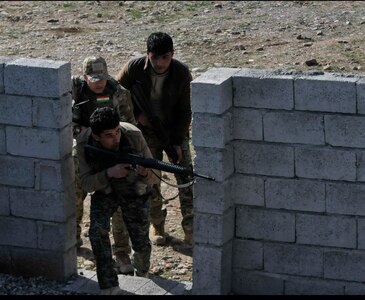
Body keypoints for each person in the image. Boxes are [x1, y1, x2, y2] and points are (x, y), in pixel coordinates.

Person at [116, 32, 194, 246]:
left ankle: (191, 229)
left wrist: (177, 141)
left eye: (165, 57)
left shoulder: (181, 73)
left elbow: (186, 111)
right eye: (155, 57)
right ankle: (157, 225)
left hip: (172, 131)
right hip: (144, 132)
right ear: (147, 54)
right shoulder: (133, 68)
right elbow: (117, 94)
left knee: (186, 177)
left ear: (172, 55)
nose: (160, 63)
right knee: (151, 178)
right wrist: (135, 117)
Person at [76, 106, 154, 295]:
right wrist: (109, 173)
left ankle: (141, 276)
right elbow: (86, 183)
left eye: (117, 131)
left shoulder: (133, 135)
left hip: (134, 190)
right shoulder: (84, 142)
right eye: (109, 135)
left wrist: (145, 173)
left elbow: (153, 174)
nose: (117, 138)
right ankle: (109, 285)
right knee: (97, 231)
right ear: (96, 136)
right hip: (106, 190)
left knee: (141, 241)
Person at [71, 56, 135, 274]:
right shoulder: (74, 90)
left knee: (118, 203)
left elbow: (128, 125)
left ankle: (121, 250)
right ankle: (73, 238)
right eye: (94, 79)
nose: (99, 84)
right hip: (83, 153)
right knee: (77, 195)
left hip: (112, 153)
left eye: (102, 79)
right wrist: (78, 132)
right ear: (84, 76)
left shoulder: (119, 92)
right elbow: (63, 119)